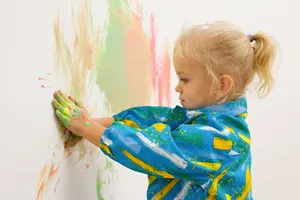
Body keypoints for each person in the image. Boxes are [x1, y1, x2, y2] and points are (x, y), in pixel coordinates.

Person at [52, 20, 277, 199]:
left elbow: (152, 150)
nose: (177, 86)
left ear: (221, 85)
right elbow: (153, 118)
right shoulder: (203, 119)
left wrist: (86, 128)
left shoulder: (221, 139)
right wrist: (94, 122)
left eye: (185, 79)